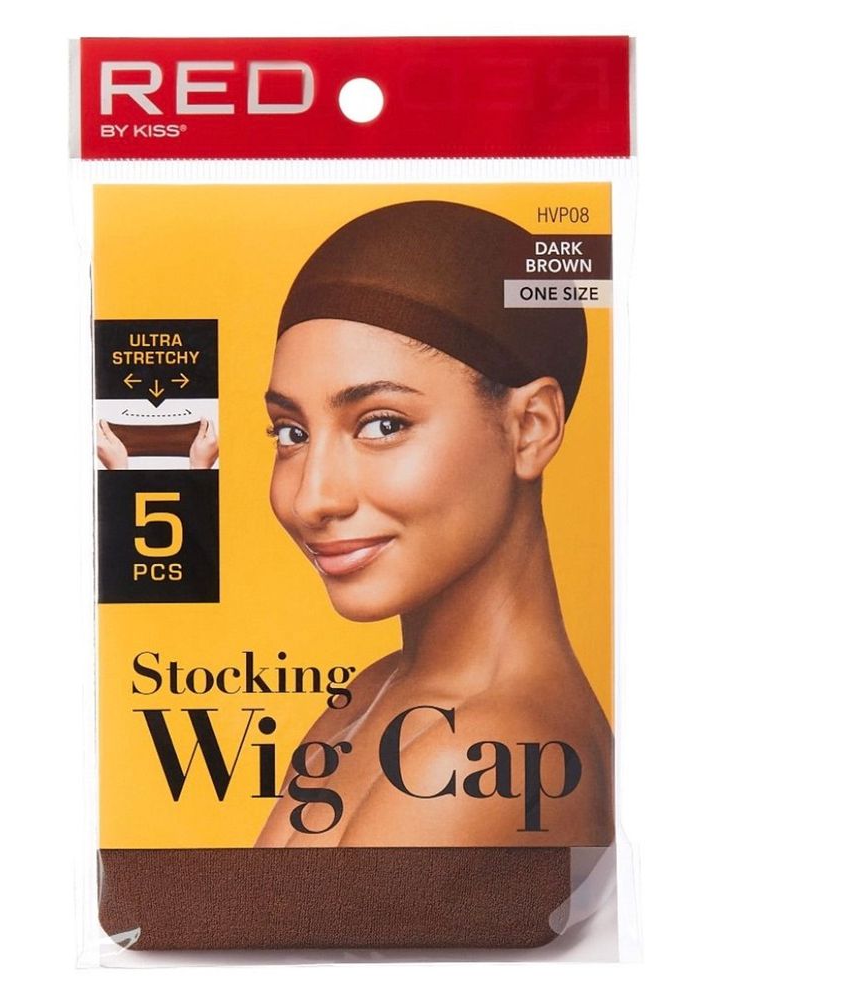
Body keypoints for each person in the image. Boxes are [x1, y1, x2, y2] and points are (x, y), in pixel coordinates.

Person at [254, 201, 612, 848]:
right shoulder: (377, 691)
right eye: (291, 433)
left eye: (382, 424)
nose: (311, 498)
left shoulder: (482, 755)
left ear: (531, 428)